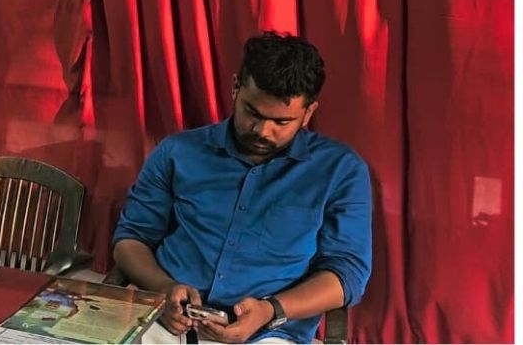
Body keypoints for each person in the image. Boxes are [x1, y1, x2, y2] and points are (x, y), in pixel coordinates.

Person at [113, 32, 372, 344]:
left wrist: (270, 310)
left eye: (281, 122)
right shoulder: (177, 152)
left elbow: (347, 275)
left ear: (308, 113)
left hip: (270, 332)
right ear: (235, 88)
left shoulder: (340, 170)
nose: (262, 131)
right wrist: (164, 289)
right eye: (252, 112)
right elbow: (131, 239)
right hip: (167, 320)